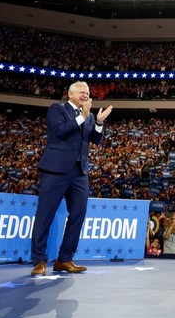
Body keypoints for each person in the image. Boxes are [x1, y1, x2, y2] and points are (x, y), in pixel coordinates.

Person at [30, 81, 113, 276]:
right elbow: (60, 131)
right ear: (70, 94)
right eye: (82, 92)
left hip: (79, 173)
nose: (86, 95)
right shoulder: (57, 109)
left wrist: (99, 123)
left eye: (88, 92)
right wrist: (83, 116)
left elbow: (95, 139)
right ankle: (39, 261)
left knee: (78, 215)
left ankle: (64, 259)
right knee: (45, 215)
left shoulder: (90, 115)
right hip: (55, 170)